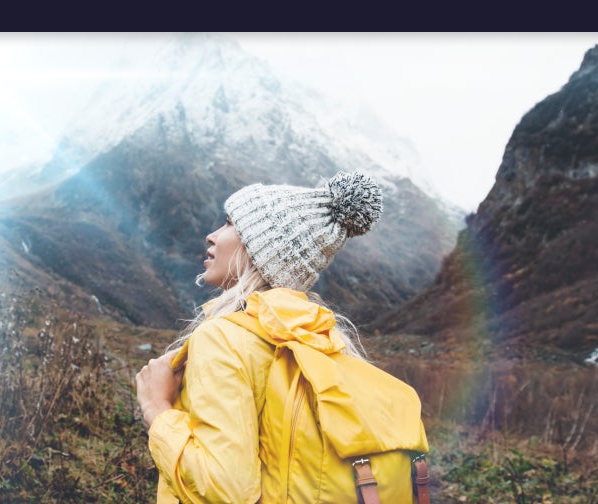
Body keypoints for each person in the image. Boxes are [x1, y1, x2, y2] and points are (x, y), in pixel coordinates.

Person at [135, 171, 429, 503]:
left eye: (231, 224)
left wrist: (156, 408)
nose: (212, 236)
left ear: (261, 250)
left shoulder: (222, 338)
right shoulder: (319, 340)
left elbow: (225, 489)